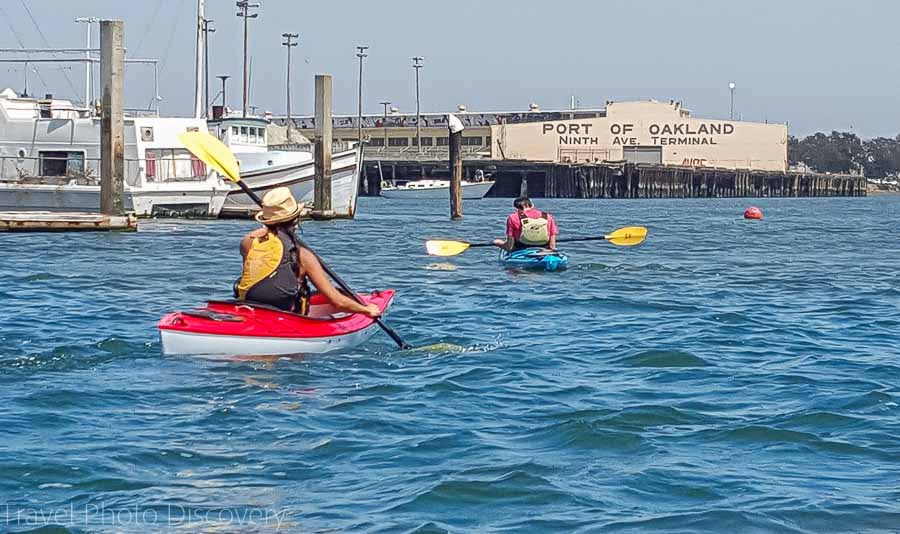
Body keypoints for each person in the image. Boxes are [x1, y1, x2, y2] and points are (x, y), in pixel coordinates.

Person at [235, 187, 380, 317]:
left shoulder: (247, 242)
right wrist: (367, 310)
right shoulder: (303, 256)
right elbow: (337, 302)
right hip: (283, 317)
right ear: (296, 220)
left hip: (249, 308)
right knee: (303, 290)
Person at [492, 196, 558, 251]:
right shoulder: (547, 216)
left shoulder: (512, 217)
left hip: (521, 247)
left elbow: (510, 246)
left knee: (497, 242)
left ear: (517, 208)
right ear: (532, 205)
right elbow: (552, 244)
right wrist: (552, 249)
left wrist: (499, 244)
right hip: (543, 247)